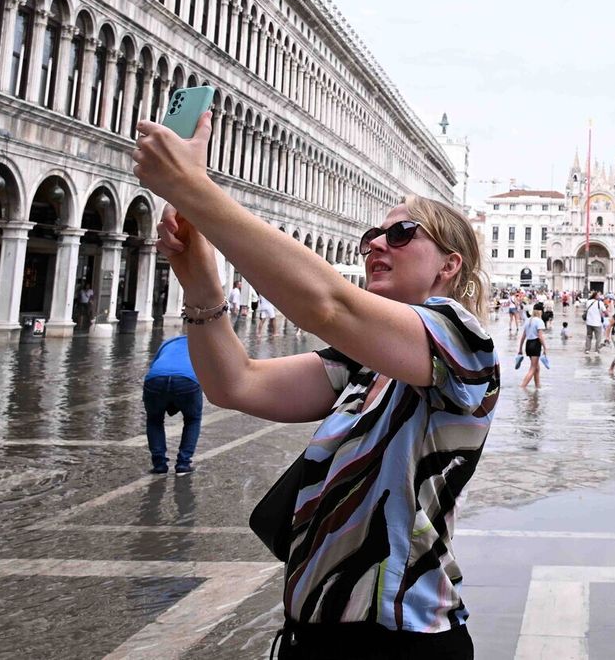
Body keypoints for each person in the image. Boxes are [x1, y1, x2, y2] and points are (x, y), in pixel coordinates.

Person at [134, 113, 496, 658]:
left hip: (402, 639)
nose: (376, 245)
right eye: (371, 235)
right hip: (312, 633)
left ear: (450, 264)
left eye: (400, 234)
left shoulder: (462, 345)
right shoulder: (362, 366)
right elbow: (237, 383)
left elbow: (328, 304)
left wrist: (193, 188)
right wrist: (201, 284)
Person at [143, 333, 204, 474]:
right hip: (187, 380)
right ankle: (183, 463)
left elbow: (154, 364)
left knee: (154, 420)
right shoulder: (202, 345)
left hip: (155, 378)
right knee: (193, 419)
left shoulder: (168, 342)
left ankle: (159, 464)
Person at [518, 302, 546, 390]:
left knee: (536, 367)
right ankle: (522, 386)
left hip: (528, 344)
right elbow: (540, 336)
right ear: (540, 311)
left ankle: (538, 386)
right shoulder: (539, 321)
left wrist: (520, 348)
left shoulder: (528, 320)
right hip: (535, 344)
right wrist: (545, 348)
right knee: (533, 368)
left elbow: (523, 336)